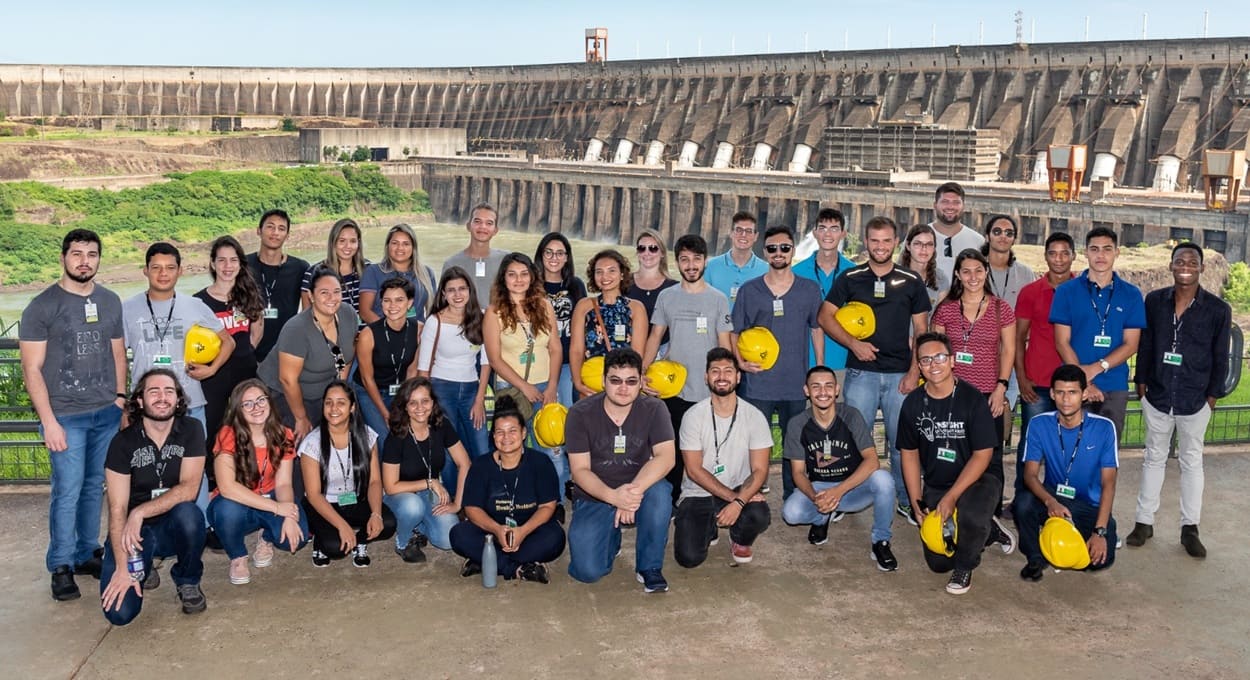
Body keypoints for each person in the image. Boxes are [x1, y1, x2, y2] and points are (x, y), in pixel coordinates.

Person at [20, 228, 127, 601]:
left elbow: (118, 353)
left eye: (92, 254)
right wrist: (48, 421)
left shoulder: (111, 301)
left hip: (105, 413)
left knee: (93, 487)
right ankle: (61, 564)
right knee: (66, 490)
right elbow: (31, 370)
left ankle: (85, 552)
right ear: (64, 257)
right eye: (77, 254)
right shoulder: (42, 306)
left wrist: (119, 398)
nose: (85, 261)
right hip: (65, 415)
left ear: (99, 259)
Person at [820, 216, 931, 522]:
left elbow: (922, 329)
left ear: (896, 243)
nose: (880, 246)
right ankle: (848, 497)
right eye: (874, 240)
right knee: (854, 442)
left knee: (903, 444)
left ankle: (907, 499)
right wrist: (854, 344)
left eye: (886, 240)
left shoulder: (911, 281)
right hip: (861, 375)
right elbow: (825, 317)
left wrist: (914, 372)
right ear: (865, 242)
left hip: (900, 376)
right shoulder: (850, 278)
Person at [1129, 242, 1232, 558]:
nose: (1185, 264)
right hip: (1158, 394)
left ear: (1201, 268)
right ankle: (1144, 522)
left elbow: (1220, 357)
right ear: (1171, 266)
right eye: (1179, 260)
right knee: (1153, 458)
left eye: (1192, 261)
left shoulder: (1218, 310)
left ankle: (1190, 529)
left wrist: (1211, 396)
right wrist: (1142, 383)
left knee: (1191, 462)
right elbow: (1146, 345)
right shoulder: (1155, 301)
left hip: (1195, 397)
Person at [898, 333, 1006, 595]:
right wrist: (916, 502)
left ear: (952, 360)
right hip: (938, 482)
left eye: (940, 357)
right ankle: (989, 531)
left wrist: (953, 497)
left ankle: (966, 567)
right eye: (925, 360)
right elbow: (909, 454)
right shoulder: (913, 404)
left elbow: (983, 455)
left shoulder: (973, 399)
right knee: (938, 562)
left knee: (969, 519)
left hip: (979, 478)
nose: (934, 364)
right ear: (919, 367)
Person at [99, 369, 208, 624]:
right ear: (140, 400)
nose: (162, 397)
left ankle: (188, 580)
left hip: (173, 524)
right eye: (154, 391)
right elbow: (117, 508)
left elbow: (190, 488)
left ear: (178, 400)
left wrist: (140, 512)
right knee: (120, 614)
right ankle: (142, 567)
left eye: (169, 391)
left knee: (191, 515)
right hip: (134, 534)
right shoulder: (122, 443)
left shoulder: (191, 429)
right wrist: (122, 567)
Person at [565, 348, 676, 592]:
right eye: (615, 380)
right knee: (587, 572)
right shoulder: (579, 413)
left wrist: (630, 495)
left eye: (631, 381)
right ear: (604, 381)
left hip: (641, 490)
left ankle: (649, 567)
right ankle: (610, 539)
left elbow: (666, 458)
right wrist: (615, 498)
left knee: (659, 494)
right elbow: (580, 470)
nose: (623, 388)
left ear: (640, 383)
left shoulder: (655, 409)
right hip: (596, 494)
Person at [731, 225, 824, 500]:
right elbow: (734, 331)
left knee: (794, 443)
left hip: (795, 383)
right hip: (758, 384)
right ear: (765, 252)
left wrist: (817, 370)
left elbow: (816, 329)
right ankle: (752, 492)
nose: (779, 253)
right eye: (772, 248)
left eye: (785, 247)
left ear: (793, 250)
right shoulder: (750, 290)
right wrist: (740, 363)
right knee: (754, 443)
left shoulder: (809, 289)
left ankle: (792, 494)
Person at [643, 234, 733, 507]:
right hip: (672, 389)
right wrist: (642, 375)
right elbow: (654, 337)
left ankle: (711, 503)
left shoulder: (718, 300)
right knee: (673, 450)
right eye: (685, 259)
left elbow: (725, 344)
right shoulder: (666, 296)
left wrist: (727, 383)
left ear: (705, 261)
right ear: (677, 263)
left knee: (711, 451)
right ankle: (673, 501)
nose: (691, 265)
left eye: (696, 259)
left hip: (708, 391)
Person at [782, 366, 898, 571]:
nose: (823, 392)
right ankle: (822, 517)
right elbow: (798, 473)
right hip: (820, 488)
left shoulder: (851, 416)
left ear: (837, 389)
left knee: (884, 480)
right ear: (806, 391)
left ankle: (881, 541)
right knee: (791, 513)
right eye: (815, 387)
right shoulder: (797, 423)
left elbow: (872, 461)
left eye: (828, 386)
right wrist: (815, 497)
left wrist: (837, 492)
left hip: (852, 488)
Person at [1014, 364, 1119, 580]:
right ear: (1052, 394)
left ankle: (1078, 532)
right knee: (1022, 503)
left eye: (1072, 392)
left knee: (1098, 562)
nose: (1065, 399)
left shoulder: (1104, 428)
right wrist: (1049, 501)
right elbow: (1030, 475)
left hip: (1088, 504)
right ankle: (1036, 557)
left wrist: (1099, 532)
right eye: (1060, 392)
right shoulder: (1039, 424)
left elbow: (1109, 483)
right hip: (1054, 495)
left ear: (1084, 394)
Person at [450, 395, 565, 583]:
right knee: (459, 535)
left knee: (555, 539)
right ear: (493, 436)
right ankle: (519, 569)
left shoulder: (540, 462)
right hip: (492, 532)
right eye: (500, 432)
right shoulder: (481, 466)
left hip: (530, 532)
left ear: (523, 433)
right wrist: (497, 530)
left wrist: (523, 531)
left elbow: (548, 506)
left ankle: (488, 561)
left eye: (512, 431)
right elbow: (472, 509)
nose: (506, 438)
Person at [930, 249, 1016, 501]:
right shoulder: (946, 309)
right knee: (954, 454)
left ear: (986, 271)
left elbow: (1009, 350)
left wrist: (1001, 388)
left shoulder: (1001, 308)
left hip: (989, 395)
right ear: (957, 274)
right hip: (953, 395)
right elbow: (937, 350)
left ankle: (992, 513)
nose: (973, 277)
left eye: (979, 270)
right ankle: (954, 506)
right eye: (966, 271)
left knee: (992, 458)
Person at [674, 348, 772, 568]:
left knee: (759, 514)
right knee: (689, 559)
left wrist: (740, 501)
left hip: (738, 487)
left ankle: (739, 538)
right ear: (706, 377)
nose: (721, 376)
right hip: (698, 490)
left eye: (728, 371)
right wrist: (733, 499)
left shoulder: (754, 416)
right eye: (715, 371)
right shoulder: (693, 416)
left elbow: (760, 470)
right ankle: (709, 525)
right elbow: (693, 470)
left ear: (738, 377)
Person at [123, 242, 235, 431]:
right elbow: (118, 357)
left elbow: (228, 342)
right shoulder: (127, 309)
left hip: (189, 404)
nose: (163, 274)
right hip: (144, 407)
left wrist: (211, 370)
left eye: (170, 268)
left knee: (193, 459)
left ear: (180, 271)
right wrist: (125, 404)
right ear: (145, 271)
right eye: (156, 268)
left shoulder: (195, 305)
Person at [206, 380, 308, 586]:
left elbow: (284, 485)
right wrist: (278, 508)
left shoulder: (283, 434)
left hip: (270, 496)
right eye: (248, 404)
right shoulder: (228, 434)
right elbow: (227, 488)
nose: (257, 407)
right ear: (238, 409)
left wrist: (288, 514)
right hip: (237, 502)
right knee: (226, 510)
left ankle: (266, 538)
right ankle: (237, 556)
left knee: (297, 537)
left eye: (261, 400)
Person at [483, 253, 568, 494]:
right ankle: (512, 498)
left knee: (552, 448)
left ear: (532, 277)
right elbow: (495, 359)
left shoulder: (544, 306)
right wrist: (524, 387)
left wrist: (552, 386)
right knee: (509, 447)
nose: (518, 280)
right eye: (512, 274)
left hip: (545, 388)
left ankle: (556, 501)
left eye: (523, 274)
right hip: (511, 390)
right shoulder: (494, 312)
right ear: (503, 279)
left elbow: (555, 348)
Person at [1051, 226, 1146, 439]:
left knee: (1107, 453)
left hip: (1114, 385)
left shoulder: (1131, 294)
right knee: (1069, 449)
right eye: (1094, 249)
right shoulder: (1066, 291)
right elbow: (1061, 342)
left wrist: (1096, 368)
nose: (1100, 255)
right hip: (1072, 387)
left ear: (1117, 252)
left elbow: (1131, 344)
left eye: (1107, 249)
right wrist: (1085, 382)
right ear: (1086, 252)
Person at [298, 381, 397, 567]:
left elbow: (375, 481)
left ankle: (359, 541)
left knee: (388, 523)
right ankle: (321, 541)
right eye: (328, 403)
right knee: (335, 548)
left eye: (341, 403)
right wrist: (342, 526)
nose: (333, 408)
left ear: (352, 407)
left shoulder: (367, 436)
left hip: (354, 499)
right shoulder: (312, 443)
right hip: (323, 502)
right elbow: (313, 494)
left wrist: (376, 514)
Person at [1013, 232, 1076, 501]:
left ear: (1074, 255)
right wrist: (1022, 378)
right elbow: (1017, 338)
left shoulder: (1083, 289)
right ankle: (1022, 499)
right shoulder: (1031, 292)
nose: (1059, 259)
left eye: (1065, 253)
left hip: (1073, 383)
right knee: (1031, 443)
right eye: (1053, 253)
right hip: (1037, 382)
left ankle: (1061, 499)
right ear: (1046, 256)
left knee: (1069, 444)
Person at [382, 378, 472, 563]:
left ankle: (420, 526)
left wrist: (458, 505)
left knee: (448, 539)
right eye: (412, 403)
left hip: (428, 492)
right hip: (399, 495)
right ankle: (403, 541)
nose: (420, 407)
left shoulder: (441, 425)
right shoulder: (397, 435)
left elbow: (465, 463)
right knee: (412, 506)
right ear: (405, 406)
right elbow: (390, 486)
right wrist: (430, 482)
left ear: (433, 403)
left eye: (425, 401)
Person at [418, 267, 492, 477]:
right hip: (442, 389)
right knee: (450, 448)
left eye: (462, 289)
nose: (457, 295)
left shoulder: (482, 317)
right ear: (443, 294)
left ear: (470, 291)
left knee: (481, 446)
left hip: (471, 390)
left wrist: (479, 400)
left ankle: (482, 495)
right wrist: (428, 403)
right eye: (451, 290)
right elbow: (424, 370)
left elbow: (487, 363)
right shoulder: (435, 321)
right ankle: (452, 498)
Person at [194, 235, 265, 446]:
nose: (227, 266)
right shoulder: (198, 302)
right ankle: (212, 476)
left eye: (233, 260)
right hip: (213, 378)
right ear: (212, 264)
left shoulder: (250, 295)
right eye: (222, 260)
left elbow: (257, 333)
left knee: (248, 429)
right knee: (213, 430)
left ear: (240, 264)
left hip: (246, 373)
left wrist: (244, 354)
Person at [980, 214, 1036, 425]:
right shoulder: (975, 270)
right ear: (987, 236)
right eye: (997, 232)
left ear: (1014, 239)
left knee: (1001, 415)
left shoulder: (1025, 273)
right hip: (980, 355)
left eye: (1009, 233)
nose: (1002, 237)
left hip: (1012, 358)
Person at [570, 249, 648, 398]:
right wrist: (578, 383)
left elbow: (637, 353)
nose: (605, 276)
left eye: (611, 270)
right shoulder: (584, 306)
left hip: (623, 386)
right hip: (590, 383)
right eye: (599, 272)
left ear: (622, 274)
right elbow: (576, 350)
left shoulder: (636, 308)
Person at [353, 276, 420, 448]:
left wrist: (405, 403)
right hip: (369, 390)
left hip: (400, 390)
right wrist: (385, 413)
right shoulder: (368, 334)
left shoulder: (419, 330)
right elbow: (367, 379)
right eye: (387, 300)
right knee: (384, 437)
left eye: (399, 300)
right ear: (381, 303)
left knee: (409, 432)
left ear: (410, 303)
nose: (392, 306)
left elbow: (412, 371)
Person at [793, 208, 856, 381]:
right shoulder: (795, 273)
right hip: (805, 363)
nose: (828, 234)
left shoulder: (854, 273)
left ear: (843, 233)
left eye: (834, 228)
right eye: (822, 228)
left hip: (845, 363)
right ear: (814, 233)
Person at [247, 209, 309, 363]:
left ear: (287, 235)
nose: (275, 232)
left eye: (281, 229)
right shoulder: (243, 265)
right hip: (249, 350)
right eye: (270, 227)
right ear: (258, 231)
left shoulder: (300, 268)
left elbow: (310, 309)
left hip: (286, 351)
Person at [534, 232, 587, 407]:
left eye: (559, 253)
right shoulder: (531, 286)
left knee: (569, 410)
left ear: (567, 257)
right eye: (548, 252)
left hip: (567, 362)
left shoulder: (576, 285)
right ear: (541, 255)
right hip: (539, 361)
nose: (553, 257)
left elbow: (584, 325)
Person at [359, 223, 436, 324]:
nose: (400, 248)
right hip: (382, 335)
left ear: (413, 248)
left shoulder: (427, 273)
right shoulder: (373, 271)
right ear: (387, 246)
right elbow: (365, 312)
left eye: (406, 244)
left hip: (417, 335)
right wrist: (387, 332)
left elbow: (434, 311)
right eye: (395, 243)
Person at [442, 203, 508, 307]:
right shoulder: (452, 264)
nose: (483, 227)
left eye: (489, 223)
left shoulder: (506, 260)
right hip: (464, 321)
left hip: (497, 321)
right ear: (468, 226)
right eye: (477, 221)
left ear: (495, 230)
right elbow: (444, 301)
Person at [300, 218, 368, 314]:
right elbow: (307, 316)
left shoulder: (369, 269)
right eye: (342, 241)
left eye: (353, 241)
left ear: (358, 242)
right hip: (330, 329)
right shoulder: (313, 272)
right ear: (333, 242)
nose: (347, 246)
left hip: (366, 329)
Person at [625, 229, 678, 345]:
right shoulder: (624, 282)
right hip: (628, 350)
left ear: (662, 253)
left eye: (653, 248)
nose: (647, 253)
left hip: (662, 352)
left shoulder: (674, 288)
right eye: (641, 248)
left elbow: (679, 329)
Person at [705, 211, 767, 306]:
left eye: (749, 231)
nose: (743, 235)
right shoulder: (710, 266)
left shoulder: (767, 271)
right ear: (731, 233)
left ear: (756, 236)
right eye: (739, 230)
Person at [929, 182, 984, 280]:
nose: (950, 207)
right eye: (945, 202)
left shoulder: (978, 241)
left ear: (963, 206)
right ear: (935, 205)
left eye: (956, 202)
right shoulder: (918, 237)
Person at [899, 223, 948, 310]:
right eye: (918, 244)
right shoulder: (895, 276)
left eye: (929, 244)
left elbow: (940, 317)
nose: (924, 249)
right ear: (908, 246)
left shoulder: (940, 278)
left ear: (934, 248)